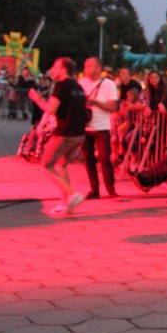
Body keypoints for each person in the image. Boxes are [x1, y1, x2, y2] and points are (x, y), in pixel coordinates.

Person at [27, 58, 87, 216]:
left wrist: (36, 98)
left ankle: (73, 194)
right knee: (62, 165)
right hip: (79, 134)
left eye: (55, 67)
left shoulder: (62, 85)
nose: (52, 70)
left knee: (45, 165)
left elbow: (51, 109)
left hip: (65, 134)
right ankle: (65, 203)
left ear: (63, 69)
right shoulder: (77, 86)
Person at [79, 57, 120, 199]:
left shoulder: (109, 84)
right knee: (88, 159)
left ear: (98, 68)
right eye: (85, 66)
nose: (86, 69)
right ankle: (94, 190)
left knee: (104, 159)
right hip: (85, 127)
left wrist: (95, 102)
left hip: (102, 127)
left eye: (90, 66)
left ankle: (111, 189)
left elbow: (113, 107)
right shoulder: (81, 83)